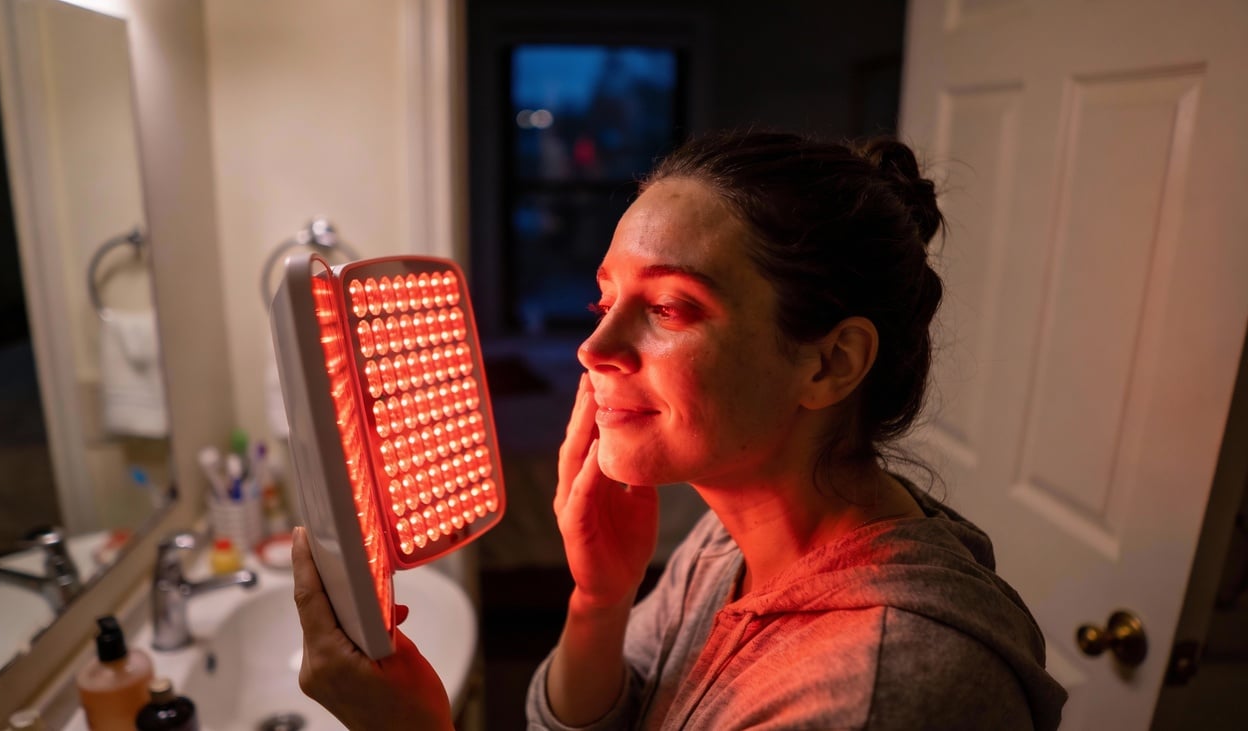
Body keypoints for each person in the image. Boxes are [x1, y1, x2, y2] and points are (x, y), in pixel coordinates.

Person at [291, 129, 1068, 730]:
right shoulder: (725, 542)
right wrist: (600, 598)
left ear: (830, 363)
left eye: (668, 307)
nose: (593, 347)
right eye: (604, 302)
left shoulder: (883, 693)